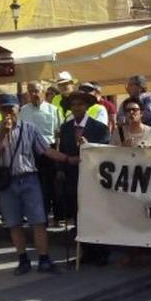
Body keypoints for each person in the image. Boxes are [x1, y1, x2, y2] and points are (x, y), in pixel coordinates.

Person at [0, 94, 77, 275]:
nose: (8, 113)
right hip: (6, 182)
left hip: (28, 178)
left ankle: (43, 259)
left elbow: (46, 150)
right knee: (14, 223)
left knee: (38, 221)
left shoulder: (29, 129)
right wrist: (2, 134)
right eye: (4, 109)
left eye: (11, 109)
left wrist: (67, 159)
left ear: (18, 109)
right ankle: (23, 259)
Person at [58, 91, 111, 266]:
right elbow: (62, 151)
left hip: (94, 178)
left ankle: (101, 252)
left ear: (86, 106)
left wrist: (88, 145)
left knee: (96, 214)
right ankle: (85, 252)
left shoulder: (99, 127)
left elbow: (105, 151)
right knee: (79, 215)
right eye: (73, 105)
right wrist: (61, 169)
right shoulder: (65, 128)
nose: (76, 108)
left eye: (80, 104)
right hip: (73, 177)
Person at [19, 81, 61, 221]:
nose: (34, 94)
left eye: (36, 91)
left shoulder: (53, 110)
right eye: (31, 91)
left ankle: (57, 214)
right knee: (34, 184)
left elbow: (58, 133)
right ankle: (39, 214)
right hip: (31, 152)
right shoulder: (23, 110)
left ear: (43, 92)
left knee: (51, 183)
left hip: (49, 150)